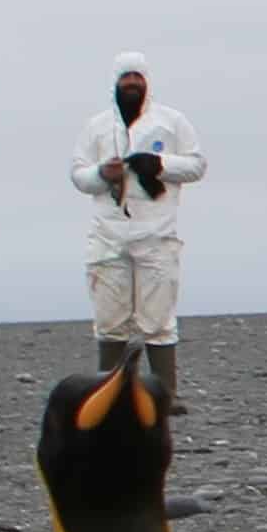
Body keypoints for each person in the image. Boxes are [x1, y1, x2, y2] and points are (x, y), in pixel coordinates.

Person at [71, 51, 204, 411]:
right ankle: (109, 396)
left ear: (147, 82)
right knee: (110, 319)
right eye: (125, 78)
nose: (131, 84)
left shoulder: (171, 123)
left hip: (157, 235)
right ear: (115, 83)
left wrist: (159, 164)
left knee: (158, 318)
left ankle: (165, 396)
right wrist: (103, 174)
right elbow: (78, 174)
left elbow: (196, 165)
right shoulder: (97, 127)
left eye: (137, 78)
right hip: (108, 235)